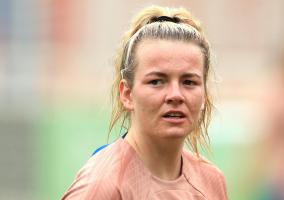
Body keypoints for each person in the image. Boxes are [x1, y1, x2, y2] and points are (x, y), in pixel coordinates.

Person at [62, 5, 228, 200]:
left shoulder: (211, 181)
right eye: (156, 81)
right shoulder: (104, 185)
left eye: (189, 82)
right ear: (127, 94)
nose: (175, 95)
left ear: (204, 96)